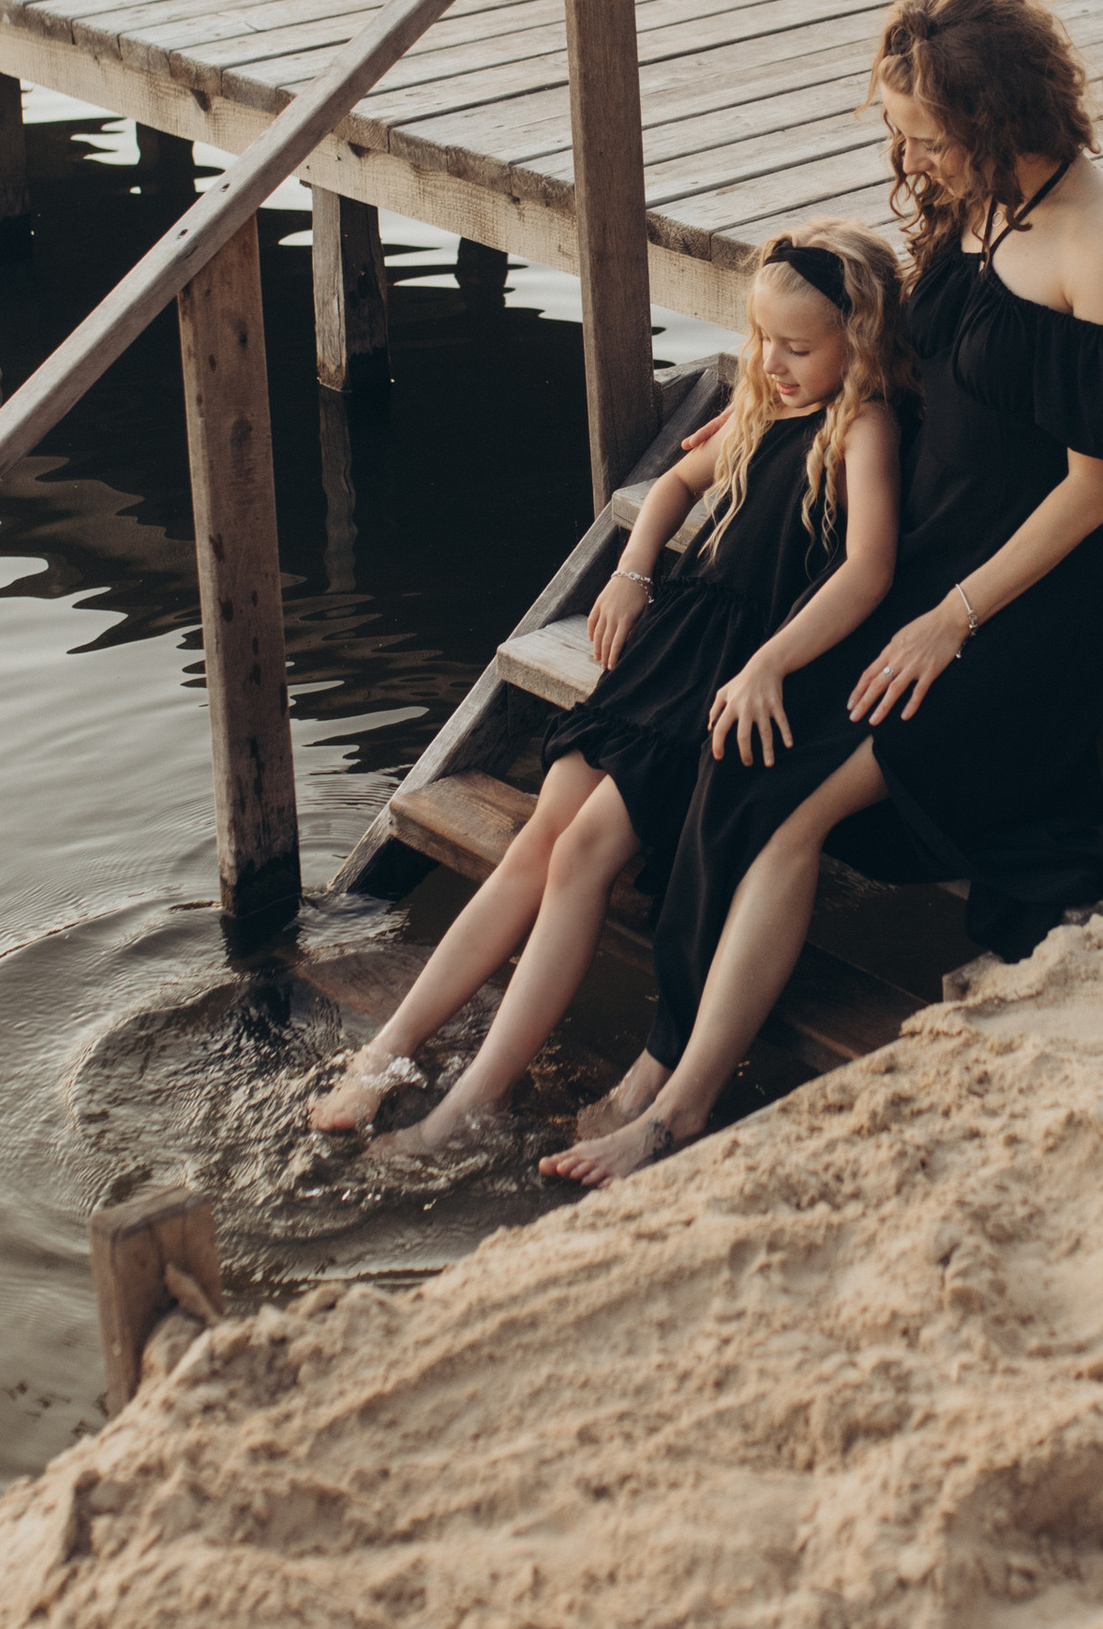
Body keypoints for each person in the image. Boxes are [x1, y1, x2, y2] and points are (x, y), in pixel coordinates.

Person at [544, 0, 1103, 1188]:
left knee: (796, 804)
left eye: (927, 136)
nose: (909, 158)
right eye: (901, 131)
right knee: (735, 762)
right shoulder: (972, 204)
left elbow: (1095, 489)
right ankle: (659, 1054)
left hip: (1023, 609)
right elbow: (896, 362)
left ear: (1001, 116)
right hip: (922, 570)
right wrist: (772, 436)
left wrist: (949, 619)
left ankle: (677, 1114)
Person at [307, 219, 909, 1160]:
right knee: (538, 841)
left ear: (858, 342)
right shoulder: (764, 408)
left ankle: (474, 1100)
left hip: (730, 671)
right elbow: (670, 487)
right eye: (761, 340)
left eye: (799, 347)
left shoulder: (856, 426)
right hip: (675, 644)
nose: (774, 362)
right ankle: (390, 1050)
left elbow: (867, 569)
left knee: (585, 847)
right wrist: (630, 573)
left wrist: (770, 664)